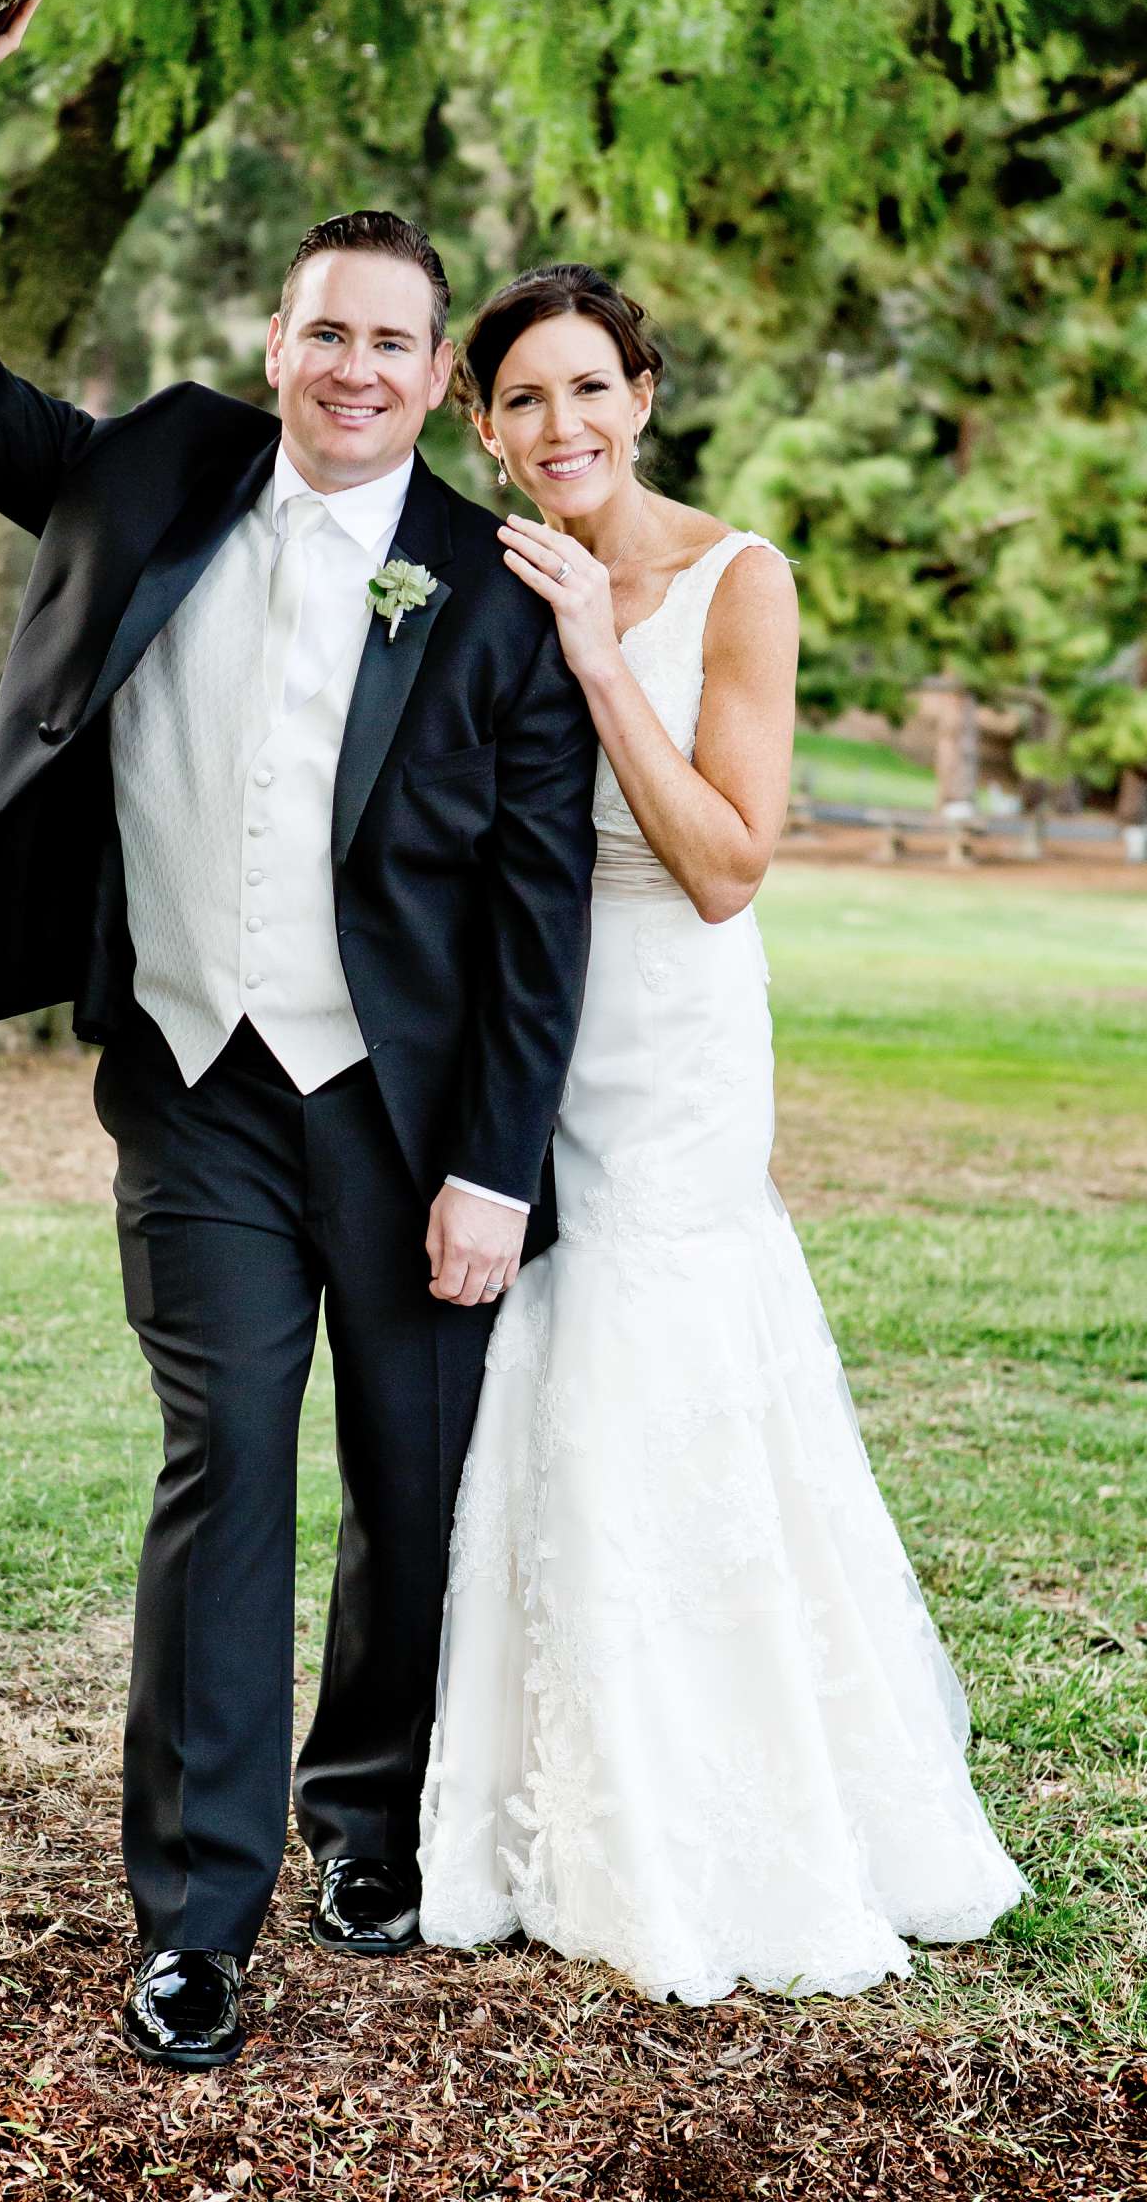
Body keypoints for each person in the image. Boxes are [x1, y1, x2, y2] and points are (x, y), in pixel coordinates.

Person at [0, 5, 597, 2067]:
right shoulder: (147, 471)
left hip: (412, 1107)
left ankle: (367, 1818)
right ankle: (194, 1909)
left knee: (404, 1483)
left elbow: (534, 920)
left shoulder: (493, 596)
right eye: (322, 331)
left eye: (392, 346)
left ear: (438, 383)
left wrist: (494, 1167)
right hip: (191, 1084)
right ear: (274, 341)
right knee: (227, 1460)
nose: (353, 370)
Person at [416, 265, 1028, 2003]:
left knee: (648, 1355)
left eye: (590, 390)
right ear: (484, 423)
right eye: (523, 401)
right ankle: (537, 1788)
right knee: (536, 1363)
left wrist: (606, 654)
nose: (562, 429)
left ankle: (706, 1804)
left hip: (671, 1040)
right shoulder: (476, 570)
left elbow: (727, 862)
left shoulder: (737, 581)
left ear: (647, 391)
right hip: (511, 1026)